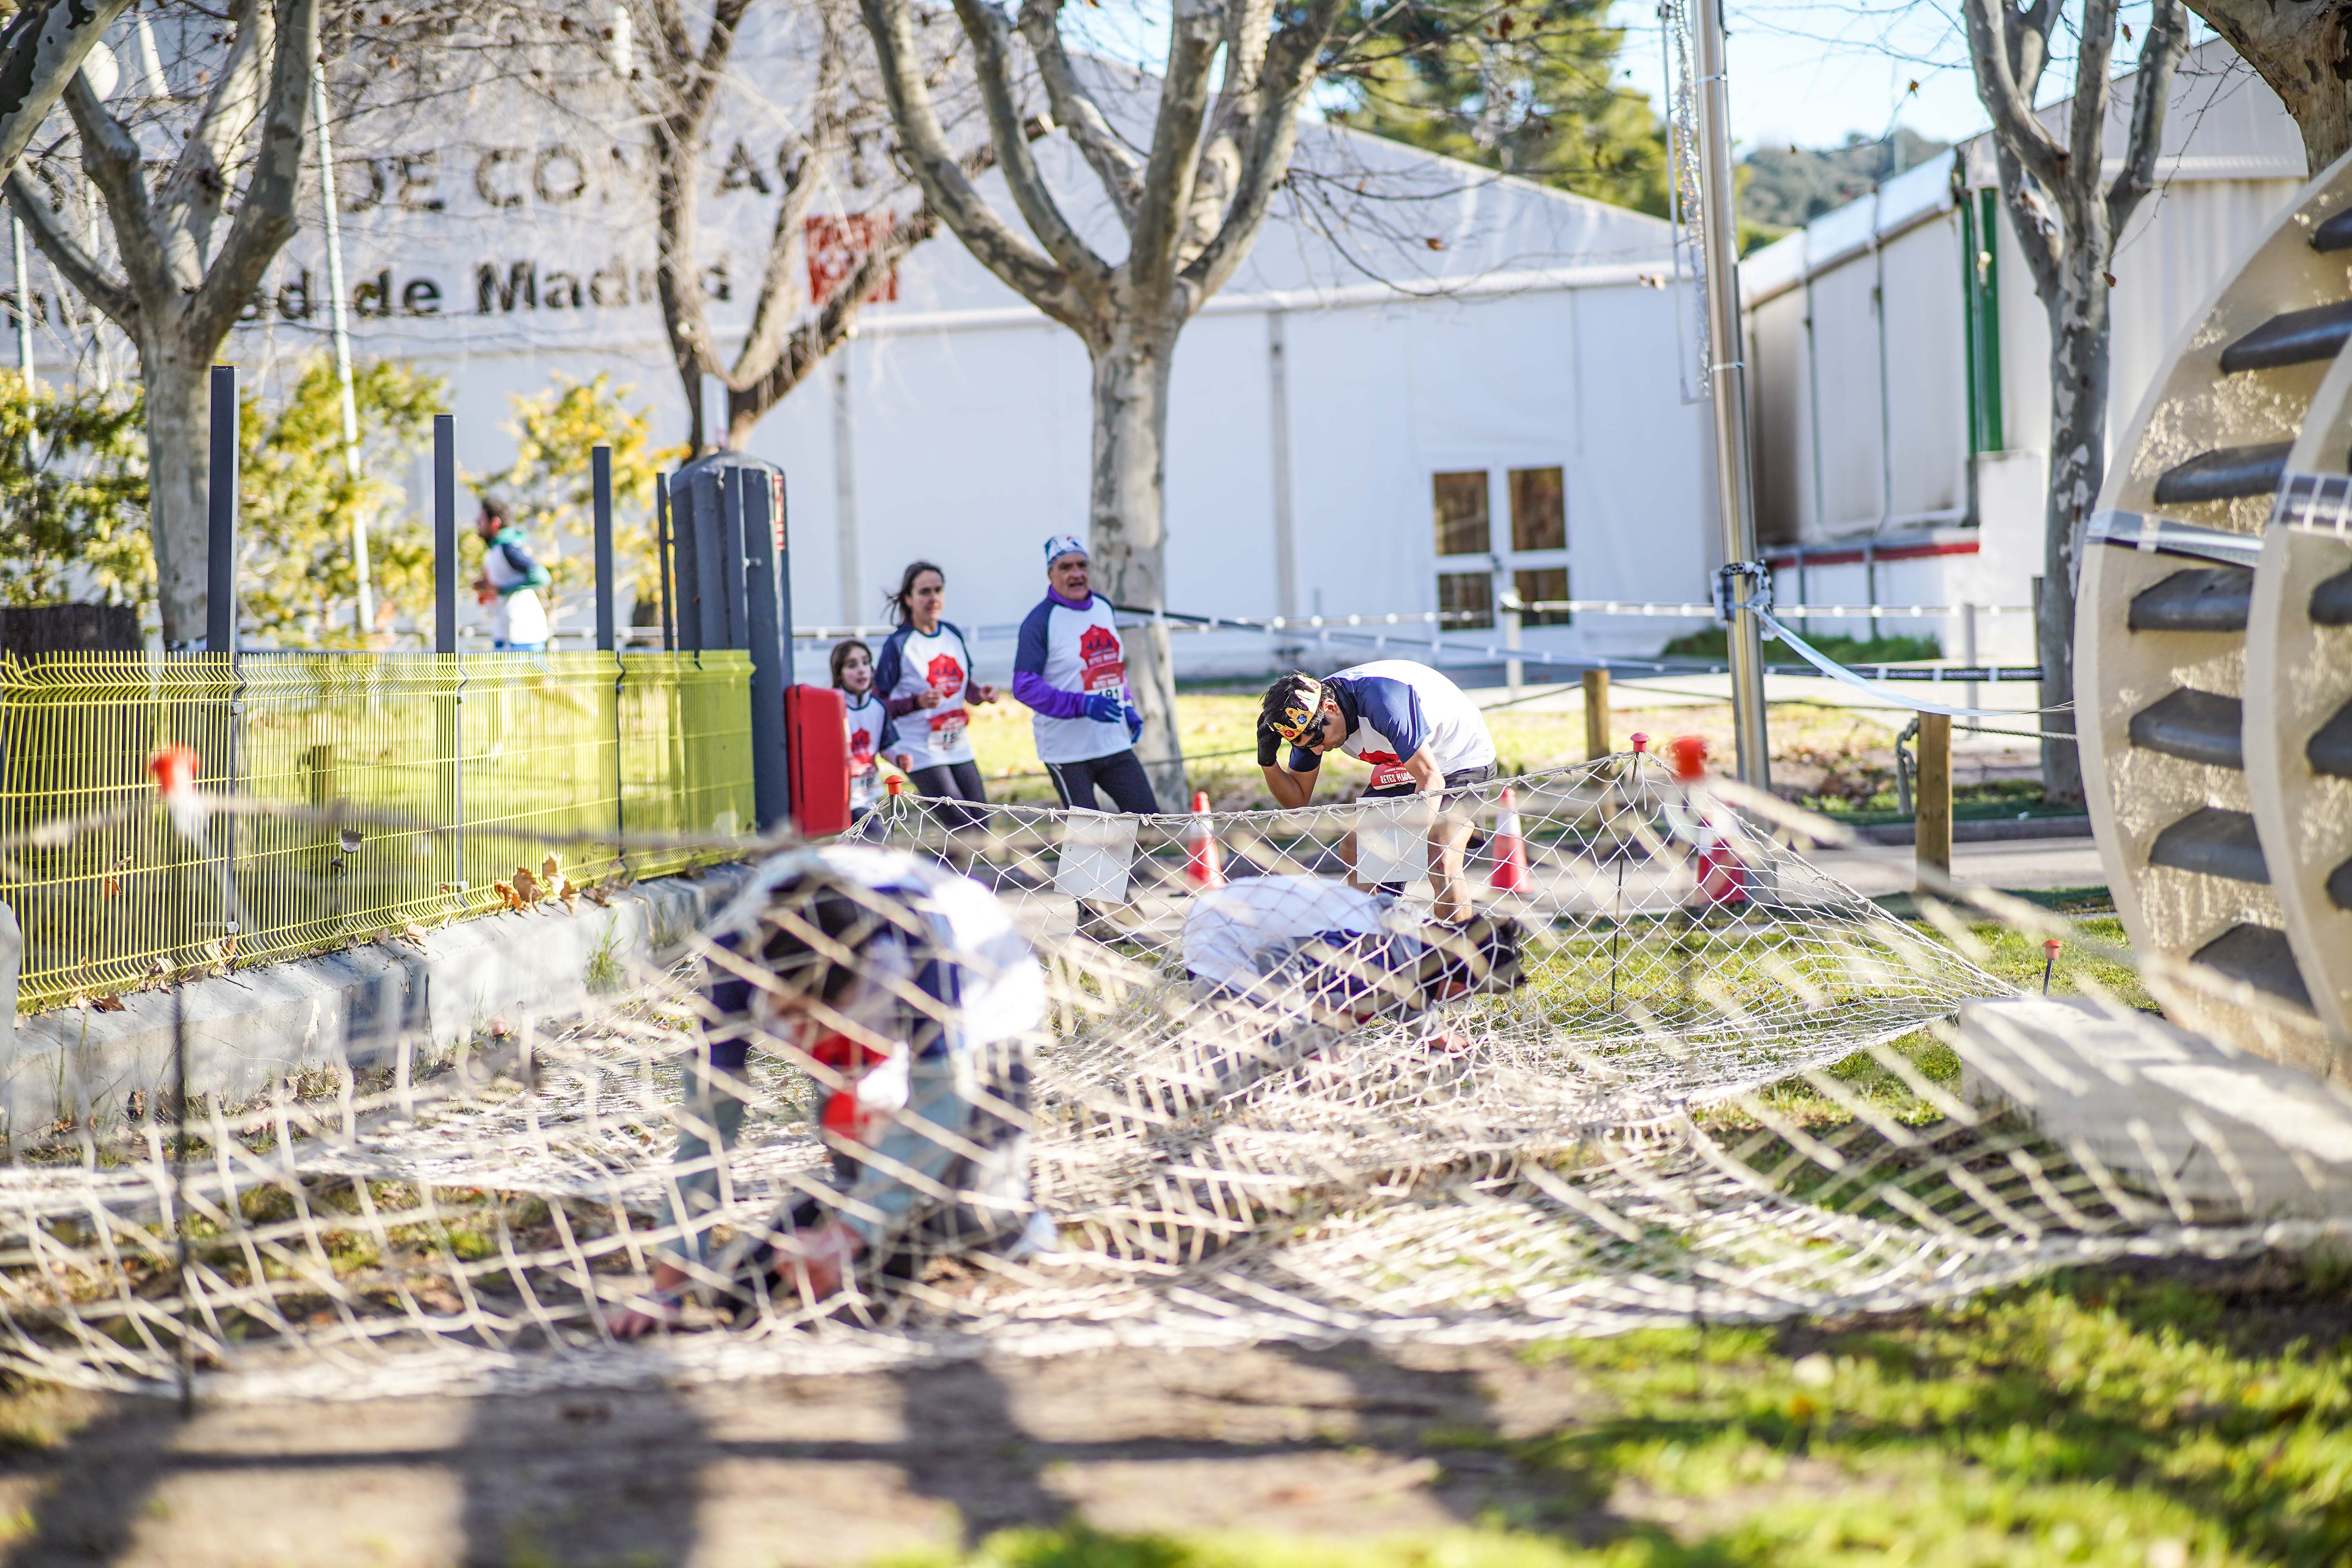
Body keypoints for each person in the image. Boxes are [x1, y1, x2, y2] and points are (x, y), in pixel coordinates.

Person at [613, 845, 1048, 1336]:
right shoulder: (732, 962)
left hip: (984, 999)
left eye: (815, 1020)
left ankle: (1005, 1212)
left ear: (856, 985)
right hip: (873, 994)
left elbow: (944, 1097)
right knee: (844, 1158)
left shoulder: (923, 938)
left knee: (974, 1211)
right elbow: (708, 1128)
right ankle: (847, 1214)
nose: (803, 1039)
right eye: (790, 1017)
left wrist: (849, 1234)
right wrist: (665, 1290)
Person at [1256, 662, 1499, 923]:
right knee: (1357, 848)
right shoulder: (1308, 724)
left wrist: (1398, 845)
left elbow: (1431, 779)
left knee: (1441, 856)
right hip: (1402, 763)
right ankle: (1380, 947)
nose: (1318, 751)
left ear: (1331, 708)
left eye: (1317, 741)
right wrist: (1267, 761)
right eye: (1305, 746)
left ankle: (1459, 958)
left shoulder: (1381, 701)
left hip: (1457, 760)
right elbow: (1297, 800)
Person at [1011, 535, 1158, 814]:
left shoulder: (1103, 608)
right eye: (1065, 568)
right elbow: (1024, 686)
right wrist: (1083, 705)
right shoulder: (1040, 621)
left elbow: (1111, 668)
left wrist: (1126, 706)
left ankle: (1135, 861)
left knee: (1150, 822)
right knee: (1088, 840)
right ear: (1050, 575)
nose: (1076, 574)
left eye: (1082, 565)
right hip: (1067, 753)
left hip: (1112, 742)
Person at [875, 561, 998, 828]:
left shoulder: (952, 634)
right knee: (962, 826)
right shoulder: (899, 644)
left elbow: (963, 686)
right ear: (909, 599)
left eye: (938, 590)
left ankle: (940, 871)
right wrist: (916, 703)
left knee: (982, 824)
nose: (933, 598)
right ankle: (930, 870)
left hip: (956, 744)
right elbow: (878, 704)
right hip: (919, 748)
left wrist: (981, 694)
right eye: (925, 592)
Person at [833, 639, 912, 820]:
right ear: (839, 674)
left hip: (870, 796)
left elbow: (886, 745)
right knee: (878, 842)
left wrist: (900, 758)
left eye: (866, 663)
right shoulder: (832, 708)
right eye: (852, 665)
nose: (861, 669)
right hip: (845, 800)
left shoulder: (878, 708)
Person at [472, 495, 551, 652]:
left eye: (481, 519)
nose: (477, 523)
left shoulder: (508, 548)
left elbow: (541, 576)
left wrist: (502, 590)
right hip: (506, 632)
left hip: (522, 635)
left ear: (495, 523)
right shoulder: (496, 550)